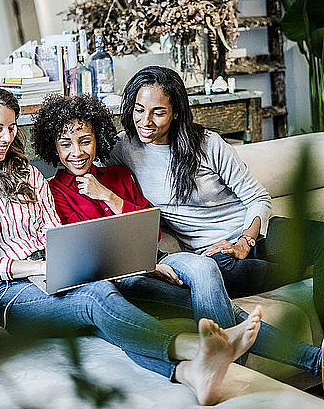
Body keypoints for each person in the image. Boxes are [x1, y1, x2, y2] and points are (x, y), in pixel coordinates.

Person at [0, 85, 265, 407]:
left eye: (12, 128)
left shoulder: (25, 173)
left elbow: (56, 231)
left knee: (172, 294)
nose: (6, 138)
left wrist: (112, 261)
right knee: (97, 296)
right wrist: (38, 267)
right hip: (6, 293)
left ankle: (289, 360)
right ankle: (196, 349)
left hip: (58, 270)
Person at [32, 92, 323, 383]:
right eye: (65, 144)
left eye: (85, 140)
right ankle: (304, 363)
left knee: (205, 268)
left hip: (160, 258)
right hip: (125, 275)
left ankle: (235, 368)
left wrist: (107, 196)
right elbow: (83, 250)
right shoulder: (54, 191)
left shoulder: (119, 175)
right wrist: (146, 266)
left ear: (97, 139)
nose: (77, 152)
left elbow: (153, 227)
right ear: (53, 148)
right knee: (222, 307)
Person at [111, 65, 324, 327]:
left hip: (254, 236)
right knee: (220, 274)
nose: (145, 121)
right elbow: (87, 165)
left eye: (159, 112)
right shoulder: (124, 147)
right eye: (139, 110)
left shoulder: (207, 143)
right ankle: (297, 269)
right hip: (215, 257)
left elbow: (257, 197)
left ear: (176, 113)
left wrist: (245, 241)